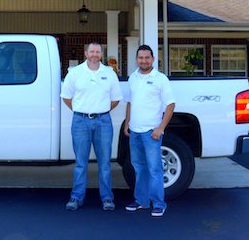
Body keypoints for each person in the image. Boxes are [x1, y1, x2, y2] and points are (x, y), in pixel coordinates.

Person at [61, 42, 123, 211]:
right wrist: (81, 110)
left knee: (104, 163)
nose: (95, 54)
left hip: (103, 122)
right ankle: (76, 197)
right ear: (86, 53)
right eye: (92, 51)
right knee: (81, 163)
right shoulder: (75, 73)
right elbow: (66, 97)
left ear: (101, 55)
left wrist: (101, 110)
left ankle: (107, 198)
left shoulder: (109, 74)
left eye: (98, 52)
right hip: (80, 121)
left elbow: (116, 98)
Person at [123, 44, 175, 217]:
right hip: (135, 131)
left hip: (151, 132)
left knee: (154, 169)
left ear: (153, 59)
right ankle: (142, 201)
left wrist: (161, 128)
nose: (143, 60)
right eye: (140, 57)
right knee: (139, 167)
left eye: (147, 57)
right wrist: (127, 123)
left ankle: (159, 203)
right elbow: (130, 102)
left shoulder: (160, 79)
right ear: (136, 59)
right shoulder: (133, 78)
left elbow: (170, 105)